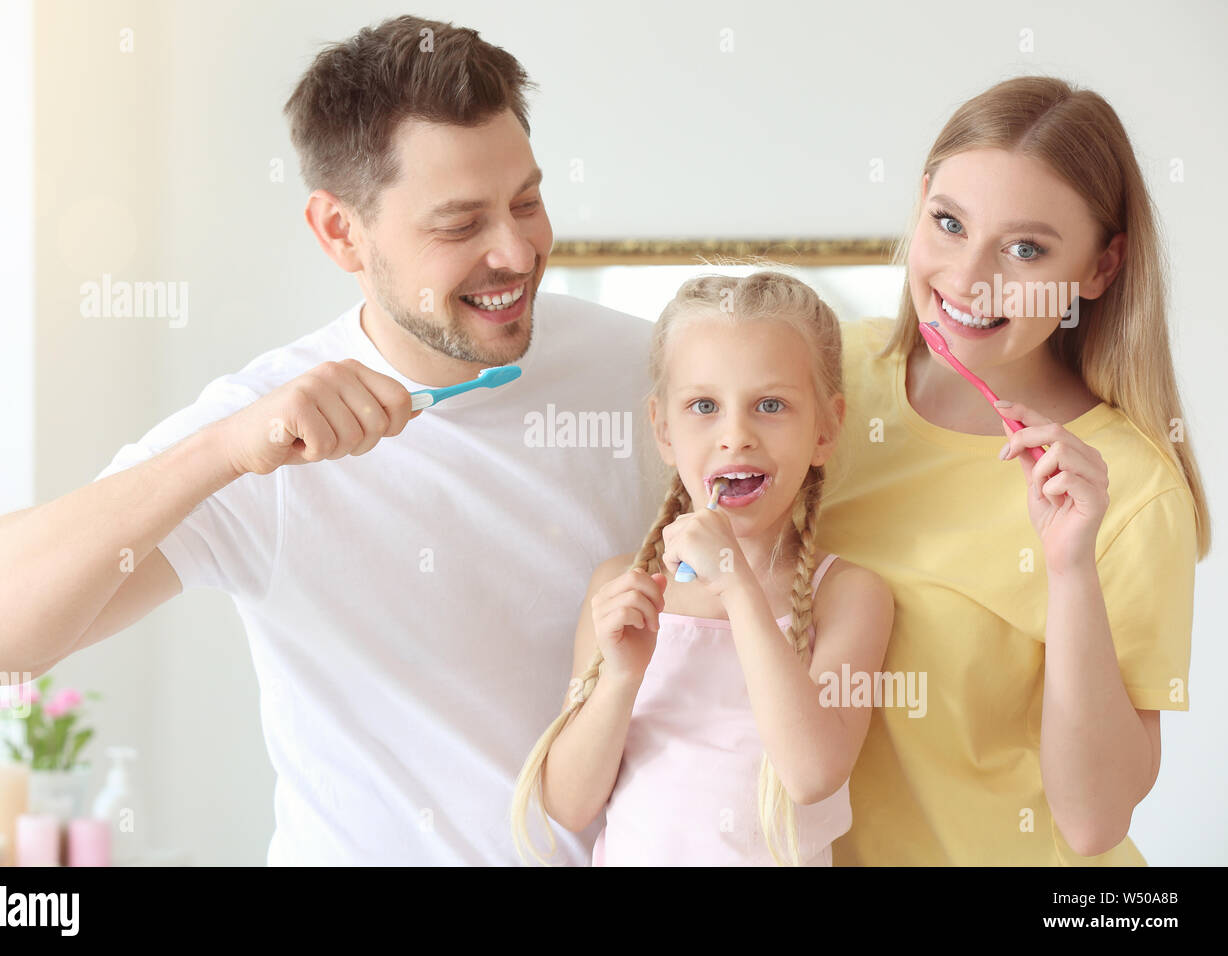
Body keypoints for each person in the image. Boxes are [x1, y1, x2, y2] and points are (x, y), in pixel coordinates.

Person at [0, 16, 661, 865]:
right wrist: (219, 453)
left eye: (527, 201)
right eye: (460, 226)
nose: (518, 250)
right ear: (339, 232)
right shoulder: (259, 434)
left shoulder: (645, 372)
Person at [815, 76, 1210, 865]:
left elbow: (1095, 823)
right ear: (920, 201)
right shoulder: (820, 382)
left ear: (1101, 268)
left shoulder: (1126, 490)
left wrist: (1070, 574)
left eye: (1026, 249)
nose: (968, 279)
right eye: (950, 223)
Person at [511, 270, 894, 865]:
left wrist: (739, 590)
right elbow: (568, 804)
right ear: (664, 429)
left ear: (826, 429)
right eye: (703, 407)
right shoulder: (619, 587)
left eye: (771, 405)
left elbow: (812, 774)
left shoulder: (849, 596)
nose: (735, 435)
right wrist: (619, 677)